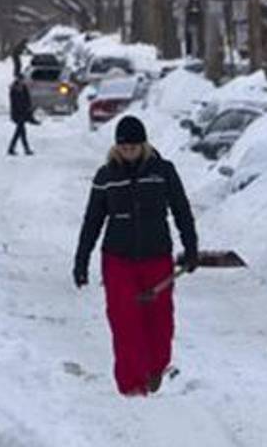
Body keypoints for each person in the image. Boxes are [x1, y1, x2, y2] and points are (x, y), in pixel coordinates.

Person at [74, 116, 199, 396]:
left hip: (157, 257)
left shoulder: (163, 171)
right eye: (123, 147)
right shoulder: (105, 177)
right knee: (125, 320)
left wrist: (191, 248)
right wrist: (81, 261)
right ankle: (131, 385)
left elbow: (181, 210)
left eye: (133, 147)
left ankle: (155, 367)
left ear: (143, 145)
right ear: (116, 147)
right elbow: (92, 221)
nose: (128, 152)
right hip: (118, 259)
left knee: (160, 320)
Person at [8, 73, 35, 156]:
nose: (23, 81)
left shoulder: (24, 88)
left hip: (23, 113)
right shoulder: (14, 89)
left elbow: (28, 99)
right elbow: (14, 103)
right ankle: (25, 149)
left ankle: (12, 148)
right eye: (21, 80)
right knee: (21, 131)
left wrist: (29, 109)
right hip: (17, 113)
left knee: (20, 132)